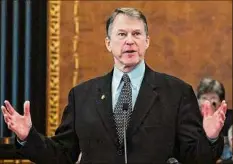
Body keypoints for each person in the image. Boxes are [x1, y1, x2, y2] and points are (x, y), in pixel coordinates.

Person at [1, 7, 227, 164]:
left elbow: (194, 158)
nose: (130, 40)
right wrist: (27, 136)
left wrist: (209, 138)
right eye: (121, 34)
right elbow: (62, 154)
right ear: (108, 43)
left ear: (147, 41)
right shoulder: (82, 96)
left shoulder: (177, 92)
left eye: (137, 34)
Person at [196, 77, 232, 162]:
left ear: (221, 101)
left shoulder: (230, 119)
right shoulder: (190, 120)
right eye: (204, 98)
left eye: (213, 98)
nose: (208, 102)